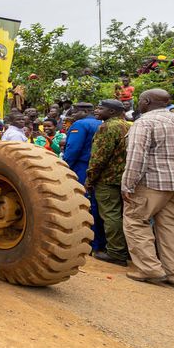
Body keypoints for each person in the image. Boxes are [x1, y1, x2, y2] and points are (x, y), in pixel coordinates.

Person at [121, 88, 174, 290]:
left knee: (135, 222)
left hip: (153, 183)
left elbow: (137, 156)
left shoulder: (144, 122)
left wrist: (128, 184)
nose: (139, 103)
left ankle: (149, 269)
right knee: (173, 230)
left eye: (140, 100)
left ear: (147, 101)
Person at [85, 100, 130, 267]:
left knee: (111, 215)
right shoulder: (127, 125)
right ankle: (124, 250)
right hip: (123, 178)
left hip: (107, 179)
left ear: (111, 111)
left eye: (100, 108)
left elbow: (99, 157)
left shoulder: (107, 127)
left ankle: (116, 253)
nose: (96, 110)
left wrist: (90, 179)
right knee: (122, 215)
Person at [63, 102, 106, 253]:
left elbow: (73, 149)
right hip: (100, 169)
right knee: (97, 205)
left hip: (82, 168)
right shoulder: (102, 123)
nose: (73, 115)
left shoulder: (80, 125)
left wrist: (64, 167)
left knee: (84, 204)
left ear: (86, 111)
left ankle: (89, 242)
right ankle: (100, 242)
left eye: (75, 112)